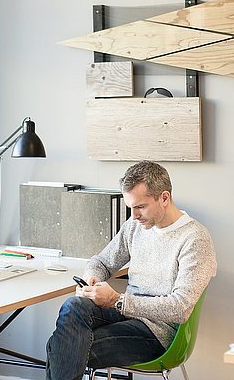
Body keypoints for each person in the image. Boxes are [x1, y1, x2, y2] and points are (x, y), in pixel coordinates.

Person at [45, 160, 217, 380]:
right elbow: (102, 262)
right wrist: (91, 281)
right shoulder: (136, 226)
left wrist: (117, 300)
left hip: (158, 333)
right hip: (125, 315)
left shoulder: (195, 239)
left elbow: (180, 308)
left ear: (164, 198)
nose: (134, 215)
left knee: (61, 345)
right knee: (74, 306)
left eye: (140, 207)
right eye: (130, 207)